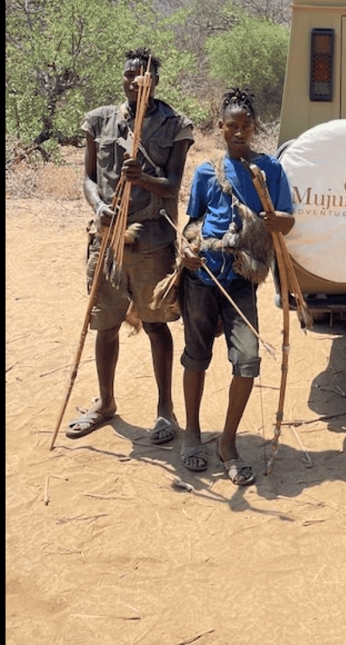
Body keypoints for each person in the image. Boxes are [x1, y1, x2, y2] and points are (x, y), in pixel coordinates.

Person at [64, 48, 195, 444]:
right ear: (122, 78)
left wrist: (143, 180)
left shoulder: (175, 125)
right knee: (105, 325)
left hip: (152, 241)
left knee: (155, 324)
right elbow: (88, 178)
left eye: (144, 76)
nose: (136, 82)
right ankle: (105, 403)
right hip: (105, 240)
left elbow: (173, 186)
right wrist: (98, 205)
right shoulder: (98, 121)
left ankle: (165, 411)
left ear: (154, 80)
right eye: (130, 76)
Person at [177, 87, 295, 487]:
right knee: (196, 355)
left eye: (246, 126)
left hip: (242, 280)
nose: (239, 132)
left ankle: (227, 443)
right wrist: (186, 251)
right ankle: (191, 433)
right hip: (202, 276)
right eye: (232, 126)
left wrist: (280, 222)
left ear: (254, 127)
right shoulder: (208, 171)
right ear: (221, 128)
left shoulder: (269, 171)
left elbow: (286, 219)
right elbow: (192, 223)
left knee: (247, 361)